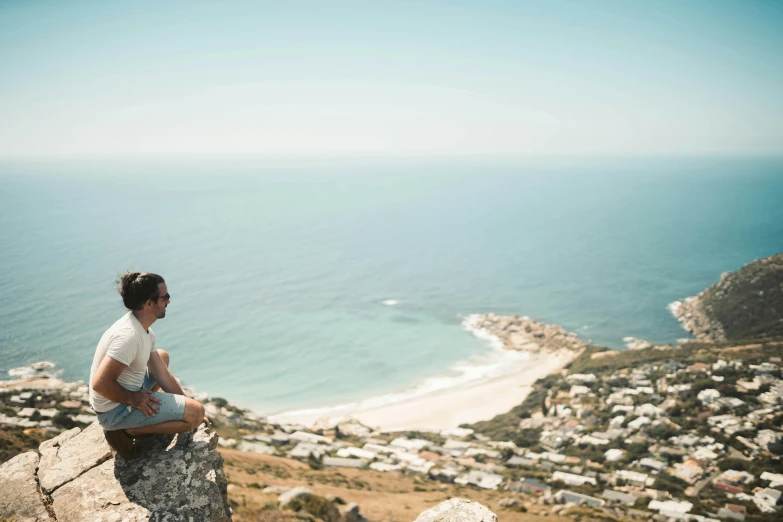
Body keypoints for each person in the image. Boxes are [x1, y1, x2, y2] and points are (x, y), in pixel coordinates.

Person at [90, 272, 209, 460]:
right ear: (149, 303)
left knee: (162, 356)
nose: (168, 301)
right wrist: (133, 398)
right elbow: (100, 384)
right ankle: (129, 431)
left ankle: (144, 413)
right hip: (115, 411)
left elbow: (162, 373)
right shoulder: (128, 337)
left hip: (127, 393)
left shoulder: (143, 329)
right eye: (165, 297)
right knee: (195, 414)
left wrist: (186, 401)